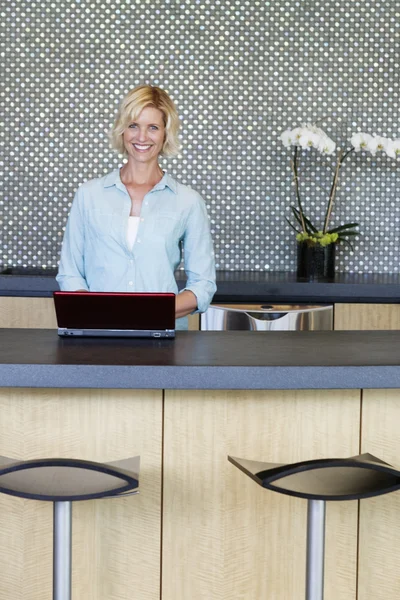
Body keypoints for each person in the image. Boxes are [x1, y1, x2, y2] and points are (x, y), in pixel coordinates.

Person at [56, 85, 216, 327]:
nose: (142, 137)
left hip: (163, 336)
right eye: (133, 126)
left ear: (165, 134)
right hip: (97, 334)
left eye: (153, 127)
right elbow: (70, 272)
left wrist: (147, 312)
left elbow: (203, 285)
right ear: (122, 131)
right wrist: (97, 314)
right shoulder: (88, 195)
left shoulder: (188, 201)